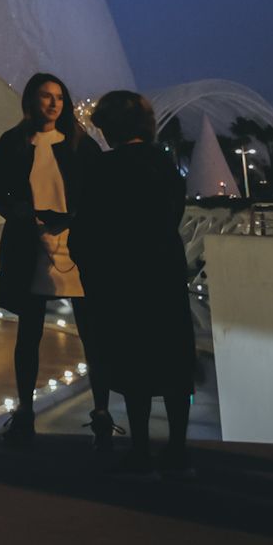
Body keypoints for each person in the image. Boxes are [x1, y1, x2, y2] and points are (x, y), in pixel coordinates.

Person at [80, 90, 196, 477]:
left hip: (122, 278)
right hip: (163, 271)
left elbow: (88, 230)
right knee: (174, 362)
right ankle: (178, 449)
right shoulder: (164, 164)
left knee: (134, 365)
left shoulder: (102, 169)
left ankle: (141, 449)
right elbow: (173, 213)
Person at [0, 72, 95, 448]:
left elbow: (100, 187)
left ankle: (102, 410)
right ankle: (26, 411)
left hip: (74, 242)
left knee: (92, 332)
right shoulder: (14, 142)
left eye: (59, 97)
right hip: (29, 242)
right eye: (46, 96)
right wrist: (16, 210)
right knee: (28, 333)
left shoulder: (80, 143)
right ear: (31, 100)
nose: (53, 104)